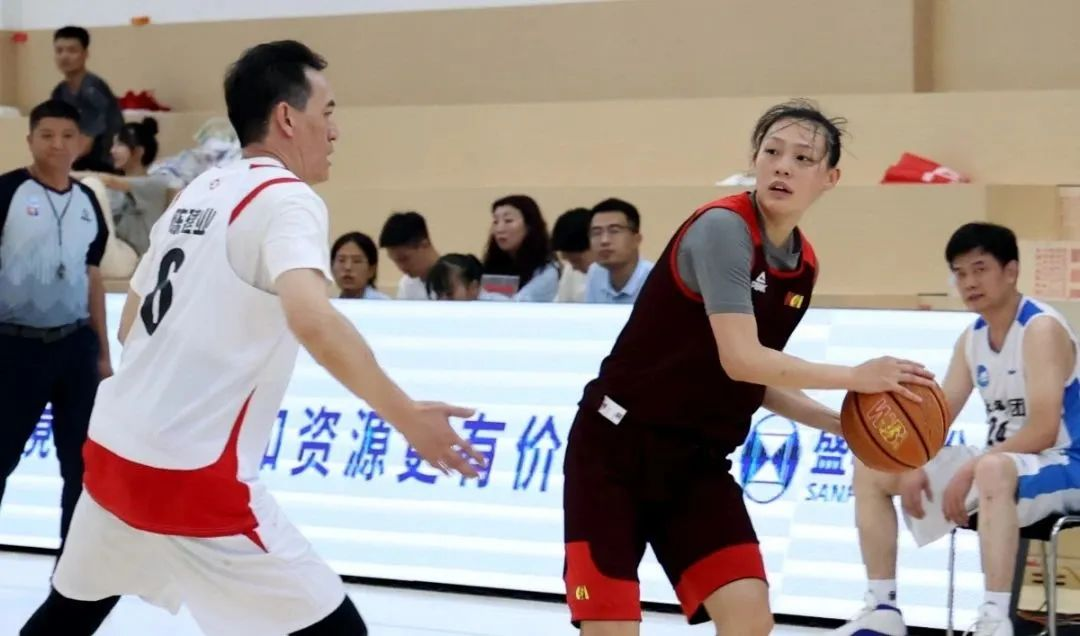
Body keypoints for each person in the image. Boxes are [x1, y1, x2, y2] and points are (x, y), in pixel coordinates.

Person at [20, 40, 482, 636]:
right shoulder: (288, 199)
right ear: (288, 117)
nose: (335, 130)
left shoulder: (200, 190)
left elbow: (133, 320)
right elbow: (313, 319)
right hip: (193, 475)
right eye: (328, 111)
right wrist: (407, 416)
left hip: (113, 448)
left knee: (67, 616)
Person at [562, 99, 936, 636]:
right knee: (612, 629)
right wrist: (856, 377)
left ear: (830, 178)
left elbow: (755, 378)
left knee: (750, 619)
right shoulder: (723, 227)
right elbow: (743, 359)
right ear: (755, 160)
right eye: (772, 152)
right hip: (615, 449)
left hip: (694, 464)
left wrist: (847, 426)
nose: (783, 166)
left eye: (803, 158)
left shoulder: (802, 267)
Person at [833, 223, 1080, 636]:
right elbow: (936, 419)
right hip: (1003, 467)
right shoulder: (972, 338)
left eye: (980, 269)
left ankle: (995, 619)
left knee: (992, 468)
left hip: (1065, 462)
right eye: (960, 273)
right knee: (873, 467)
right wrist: (913, 461)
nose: (969, 282)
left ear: (1011, 271)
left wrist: (968, 468)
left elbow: (1042, 430)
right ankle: (882, 607)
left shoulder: (1040, 329)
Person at [0, 100, 112, 546]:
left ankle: (70, 571)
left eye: (67, 136)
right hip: (14, 346)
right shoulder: (8, 192)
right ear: (30, 140)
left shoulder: (88, 200)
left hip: (75, 346)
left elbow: (93, 276)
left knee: (82, 467)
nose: (57, 144)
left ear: (81, 143)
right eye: (46, 135)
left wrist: (103, 355)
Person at [79, 118, 171, 256]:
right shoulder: (114, 188)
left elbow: (108, 180)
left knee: (91, 185)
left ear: (138, 151)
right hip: (116, 247)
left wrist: (62, 173)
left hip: (137, 255)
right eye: (113, 145)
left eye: (119, 145)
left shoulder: (155, 184)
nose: (112, 150)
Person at [50, 26, 124, 173]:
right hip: (79, 165)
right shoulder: (59, 92)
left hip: (106, 166)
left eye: (72, 51)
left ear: (85, 54)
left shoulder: (93, 88)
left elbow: (85, 142)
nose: (64, 56)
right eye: (59, 51)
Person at [482, 194, 560, 302]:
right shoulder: (492, 265)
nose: (499, 229)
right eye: (496, 221)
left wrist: (478, 293)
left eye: (508, 220)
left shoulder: (546, 270)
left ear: (529, 226)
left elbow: (520, 304)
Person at [583, 198, 653, 304]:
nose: (604, 240)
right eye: (596, 232)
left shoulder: (655, 279)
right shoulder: (595, 273)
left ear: (636, 239)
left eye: (614, 231)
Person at [378, 210, 440, 300]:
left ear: (424, 244)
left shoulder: (456, 280)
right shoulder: (406, 285)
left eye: (404, 259)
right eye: (395, 261)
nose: (401, 267)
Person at [551, 207, 593, 303]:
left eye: (576, 261)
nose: (574, 268)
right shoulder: (570, 270)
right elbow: (560, 306)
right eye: (569, 261)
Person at [426, 253, 507, 301]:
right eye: (438, 295)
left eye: (449, 294)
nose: (443, 302)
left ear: (473, 288)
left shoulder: (500, 307)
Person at [331, 231, 388, 299]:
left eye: (356, 261)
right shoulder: (330, 303)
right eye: (341, 260)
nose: (347, 267)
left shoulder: (383, 303)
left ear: (371, 270)